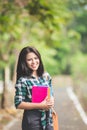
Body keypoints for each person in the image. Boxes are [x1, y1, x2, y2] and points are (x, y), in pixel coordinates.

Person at [14, 46, 54, 130]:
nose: (34, 62)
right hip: (32, 120)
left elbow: (51, 92)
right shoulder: (23, 81)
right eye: (29, 60)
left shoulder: (46, 76)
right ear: (24, 62)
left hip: (48, 118)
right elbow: (18, 103)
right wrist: (40, 105)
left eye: (36, 58)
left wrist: (52, 100)